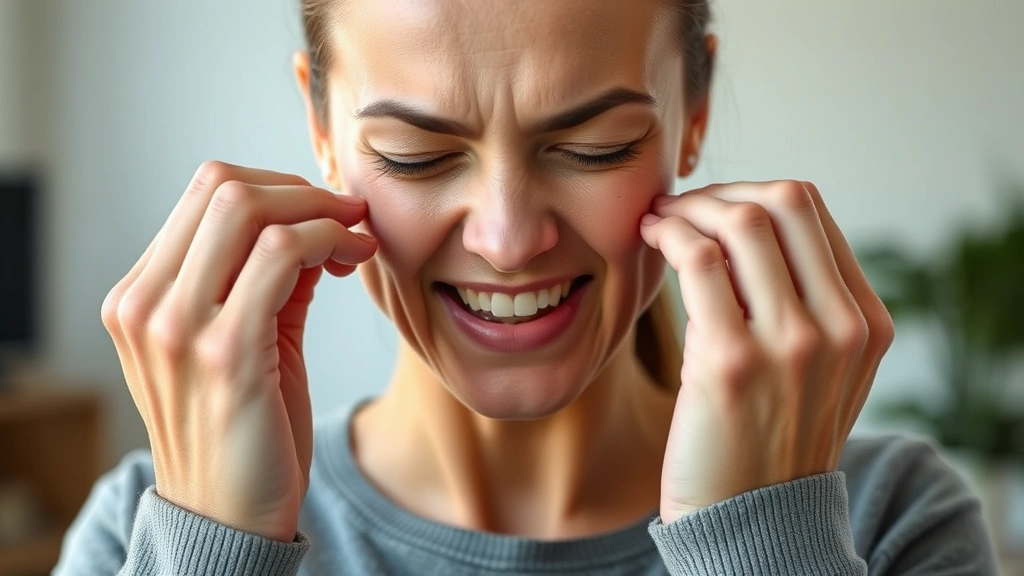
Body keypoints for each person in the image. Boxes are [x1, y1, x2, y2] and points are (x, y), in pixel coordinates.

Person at [54, 1, 998, 574]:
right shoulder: (154, 527)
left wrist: (762, 545)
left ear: (695, 112)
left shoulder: (888, 519)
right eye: (415, 155)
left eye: (595, 148)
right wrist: (214, 553)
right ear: (322, 127)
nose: (508, 241)